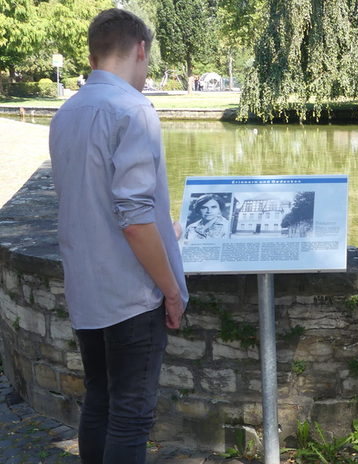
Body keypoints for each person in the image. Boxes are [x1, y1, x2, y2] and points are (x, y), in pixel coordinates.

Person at [48, 9, 188, 464]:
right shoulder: (134, 109)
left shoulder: (65, 113)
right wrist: (170, 290)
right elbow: (133, 219)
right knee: (130, 415)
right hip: (133, 293)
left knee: (100, 401)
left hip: (86, 287)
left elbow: (91, 201)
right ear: (140, 50)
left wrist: (161, 227)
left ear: (93, 54)